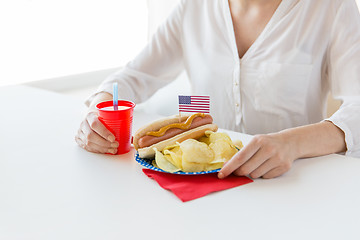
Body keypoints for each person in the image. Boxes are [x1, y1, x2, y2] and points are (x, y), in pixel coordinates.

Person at [75, 0, 360, 179]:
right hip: (198, 186)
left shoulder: (331, 7)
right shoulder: (193, 8)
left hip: (291, 184)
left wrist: (291, 143)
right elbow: (132, 77)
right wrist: (95, 114)